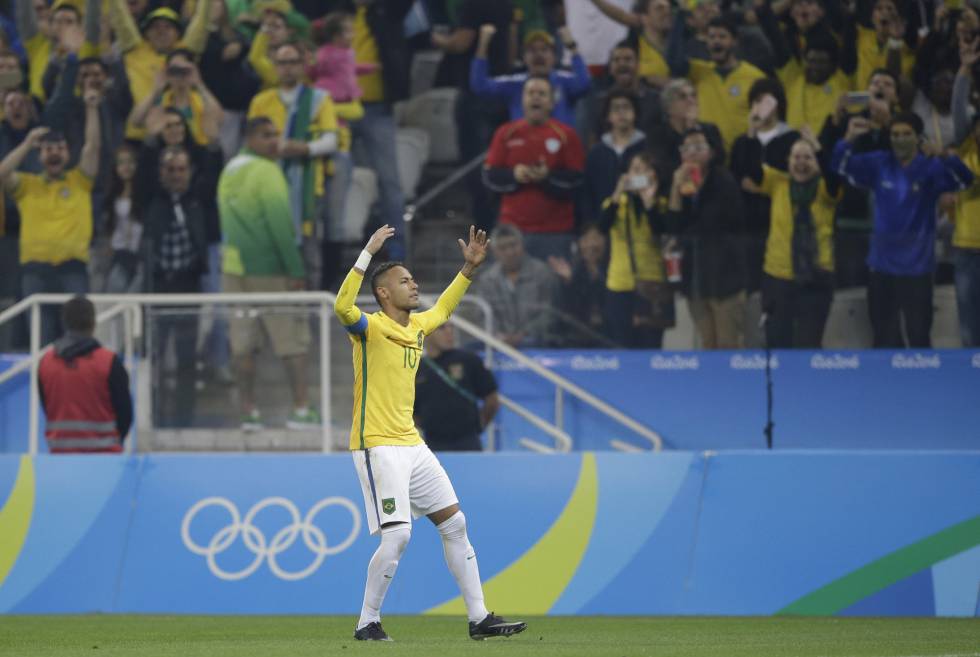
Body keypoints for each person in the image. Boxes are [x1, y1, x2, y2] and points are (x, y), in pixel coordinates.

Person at [333, 222, 526, 642]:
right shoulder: (369, 329)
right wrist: (367, 254)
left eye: (413, 279)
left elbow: (445, 309)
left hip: (413, 445)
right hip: (378, 446)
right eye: (404, 281)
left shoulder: (417, 327)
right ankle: (367, 622)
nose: (414, 284)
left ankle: (479, 618)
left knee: (455, 523)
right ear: (384, 293)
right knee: (399, 535)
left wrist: (468, 269)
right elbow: (342, 306)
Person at [832, 111, 975, 347]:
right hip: (881, 268)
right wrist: (848, 139)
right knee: (883, 339)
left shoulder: (930, 167)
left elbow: (965, 180)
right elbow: (840, 166)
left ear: (918, 138)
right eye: (895, 134)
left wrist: (943, 155)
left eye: (906, 134)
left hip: (917, 270)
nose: (900, 139)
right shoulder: (879, 163)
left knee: (919, 338)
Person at [218, 117, 318, 431]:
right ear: (249, 138)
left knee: (242, 344)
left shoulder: (230, 169)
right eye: (266, 135)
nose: (274, 140)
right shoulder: (268, 171)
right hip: (270, 270)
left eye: (276, 134)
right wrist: (295, 268)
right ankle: (301, 410)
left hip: (233, 269)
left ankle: (249, 412)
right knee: (292, 342)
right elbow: (279, 225)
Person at [0, 91, 101, 346]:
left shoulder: (80, 181)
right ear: (39, 155)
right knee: (41, 340)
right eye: (48, 149)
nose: (54, 153)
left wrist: (91, 109)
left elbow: (93, 147)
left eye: (59, 148)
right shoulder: (27, 185)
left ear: (68, 153)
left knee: (78, 339)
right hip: (36, 271)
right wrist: (27, 143)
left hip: (73, 269)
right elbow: (3, 173)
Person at [247, 40, 339, 289]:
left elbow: (331, 141)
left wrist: (302, 148)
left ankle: (310, 305)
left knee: (308, 250)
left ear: (302, 64)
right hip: (268, 186)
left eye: (292, 62)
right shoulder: (261, 101)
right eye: (281, 63)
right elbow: (252, 142)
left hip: (307, 186)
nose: (287, 67)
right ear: (274, 66)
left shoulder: (318, 99)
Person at [742, 138, 839, 348]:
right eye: (796, 157)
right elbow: (751, 167)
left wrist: (819, 149)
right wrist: (751, 133)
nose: (801, 162)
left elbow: (834, 177)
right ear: (788, 161)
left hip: (817, 277)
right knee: (777, 341)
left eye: (808, 157)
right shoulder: (778, 183)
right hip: (778, 277)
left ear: (817, 163)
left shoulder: (825, 188)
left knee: (809, 343)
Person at [483, 75, 584, 260]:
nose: (536, 97)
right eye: (530, 93)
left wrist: (547, 178)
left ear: (552, 103)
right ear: (522, 100)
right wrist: (514, 175)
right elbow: (490, 176)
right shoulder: (505, 133)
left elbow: (577, 180)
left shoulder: (567, 135)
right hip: (512, 231)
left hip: (556, 231)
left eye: (542, 94)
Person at [142, 145, 207, 427]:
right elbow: (142, 172)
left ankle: (184, 419)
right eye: (170, 169)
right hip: (158, 288)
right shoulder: (152, 200)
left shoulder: (197, 201)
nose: (176, 175)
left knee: (186, 359)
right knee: (154, 357)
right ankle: (154, 416)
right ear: (160, 173)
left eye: (181, 169)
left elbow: (211, 164)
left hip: (188, 286)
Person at [665, 126, 747, 349]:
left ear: (711, 151)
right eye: (686, 148)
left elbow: (711, 224)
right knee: (707, 343)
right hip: (696, 279)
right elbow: (673, 226)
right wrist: (675, 189)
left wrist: (683, 234)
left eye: (698, 147)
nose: (691, 152)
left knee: (728, 344)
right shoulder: (684, 183)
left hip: (725, 279)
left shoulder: (723, 180)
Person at [38, 295, 132, 453]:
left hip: (60, 457)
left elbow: (47, 407)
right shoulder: (109, 362)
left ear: (64, 322)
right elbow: (125, 414)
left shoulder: (46, 363)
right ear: (93, 323)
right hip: (105, 457)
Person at [599, 150, 671, 348]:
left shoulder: (661, 204)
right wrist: (618, 192)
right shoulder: (615, 203)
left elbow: (661, 233)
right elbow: (602, 227)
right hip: (619, 283)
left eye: (646, 170)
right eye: (636, 170)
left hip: (652, 283)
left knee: (651, 343)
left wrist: (649, 204)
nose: (640, 175)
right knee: (622, 343)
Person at [667, 12, 767, 152]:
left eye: (722, 36)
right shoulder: (699, 72)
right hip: (709, 156)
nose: (716, 41)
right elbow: (674, 62)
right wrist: (681, 16)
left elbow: (766, 120)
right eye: (712, 37)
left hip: (743, 155)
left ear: (735, 41)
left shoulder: (755, 77)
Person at [470, 23, 591, 128]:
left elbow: (584, 84)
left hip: (560, 144)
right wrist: (483, 44)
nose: (538, 55)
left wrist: (572, 46)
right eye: (532, 50)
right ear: (524, 58)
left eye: (544, 49)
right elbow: (480, 86)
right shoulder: (515, 83)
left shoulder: (563, 80)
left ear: (554, 57)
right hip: (523, 143)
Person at [414, 323, 499, 452]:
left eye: (451, 327)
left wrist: (479, 426)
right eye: (442, 328)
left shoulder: (469, 360)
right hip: (432, 444)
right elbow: (411, 410)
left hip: (468, 442)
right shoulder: (417, 368)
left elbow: (492, 399)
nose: (449, 332)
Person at [471, 224, 559, 348]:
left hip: (537, 343)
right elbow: (482, 316)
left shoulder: (542, 272)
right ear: (494, 252)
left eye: (513, 245)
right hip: (498, 344)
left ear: (522, 245)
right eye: (503, 248)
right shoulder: (488, 279)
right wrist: (499, 336)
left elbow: (550, 312)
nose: (510, 252)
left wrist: (524, 334)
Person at [581, 90, 648, 227]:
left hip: (643, 225)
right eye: (616, 108)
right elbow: (587, 192)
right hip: (604, 225)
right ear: (608, 116)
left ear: (635, 113)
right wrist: (591, 225)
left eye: (626, 107)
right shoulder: (596, 152)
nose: (621, 112)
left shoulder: (648, 148)